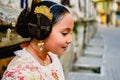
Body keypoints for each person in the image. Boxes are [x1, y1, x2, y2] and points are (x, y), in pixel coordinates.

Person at [1, 0, 74, 80]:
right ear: (43, 30)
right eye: (64, 33)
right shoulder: (20, 73)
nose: (70, 40)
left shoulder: (52, 58)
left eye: (70, 33)